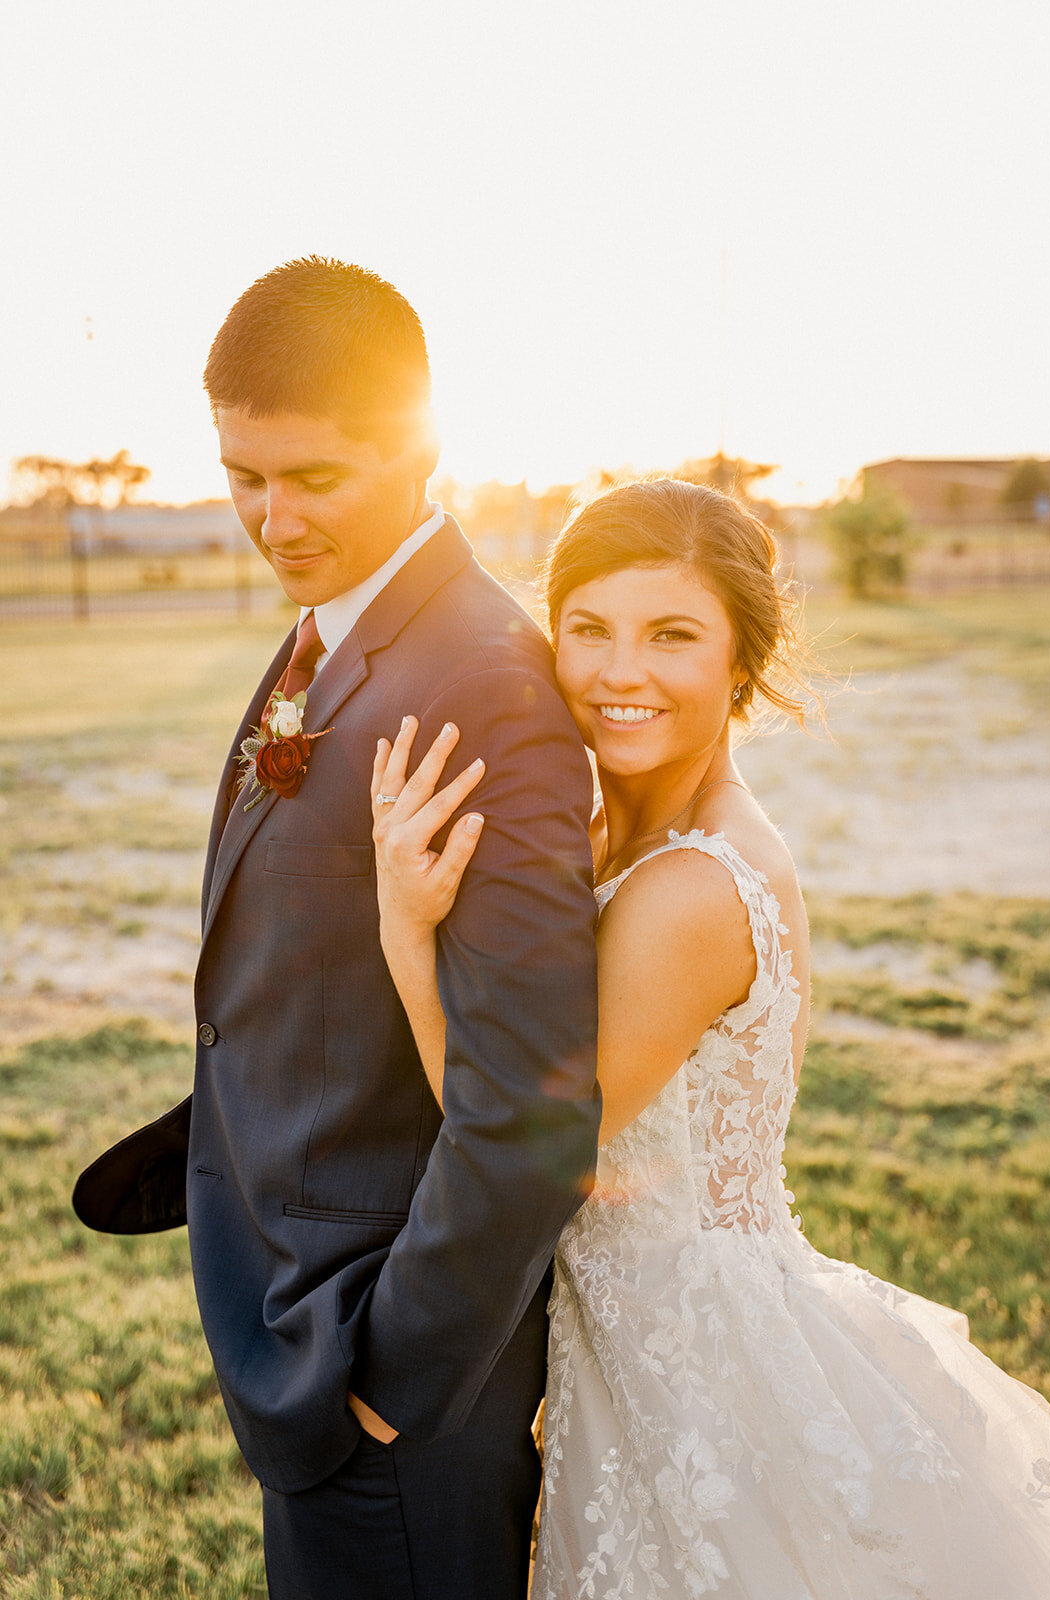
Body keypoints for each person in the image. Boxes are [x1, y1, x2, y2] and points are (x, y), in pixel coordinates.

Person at [371, 476, 1050, 1599]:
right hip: (630, 1346)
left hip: (697, 1376)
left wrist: (406, 936)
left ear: (742, 657)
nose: (617, 672)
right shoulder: (614, 836)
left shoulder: (691, 887)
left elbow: (537, 1149)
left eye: (671, 635)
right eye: (586, 629)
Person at [72, 256, 601, 1600]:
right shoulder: (340, 630)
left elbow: (530, 1104)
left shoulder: (480, 682)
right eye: (244, 474)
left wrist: (384, 1385)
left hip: (386, 1377)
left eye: (312, 477)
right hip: (303, 1318)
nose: (269, 513)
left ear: (419, 443)